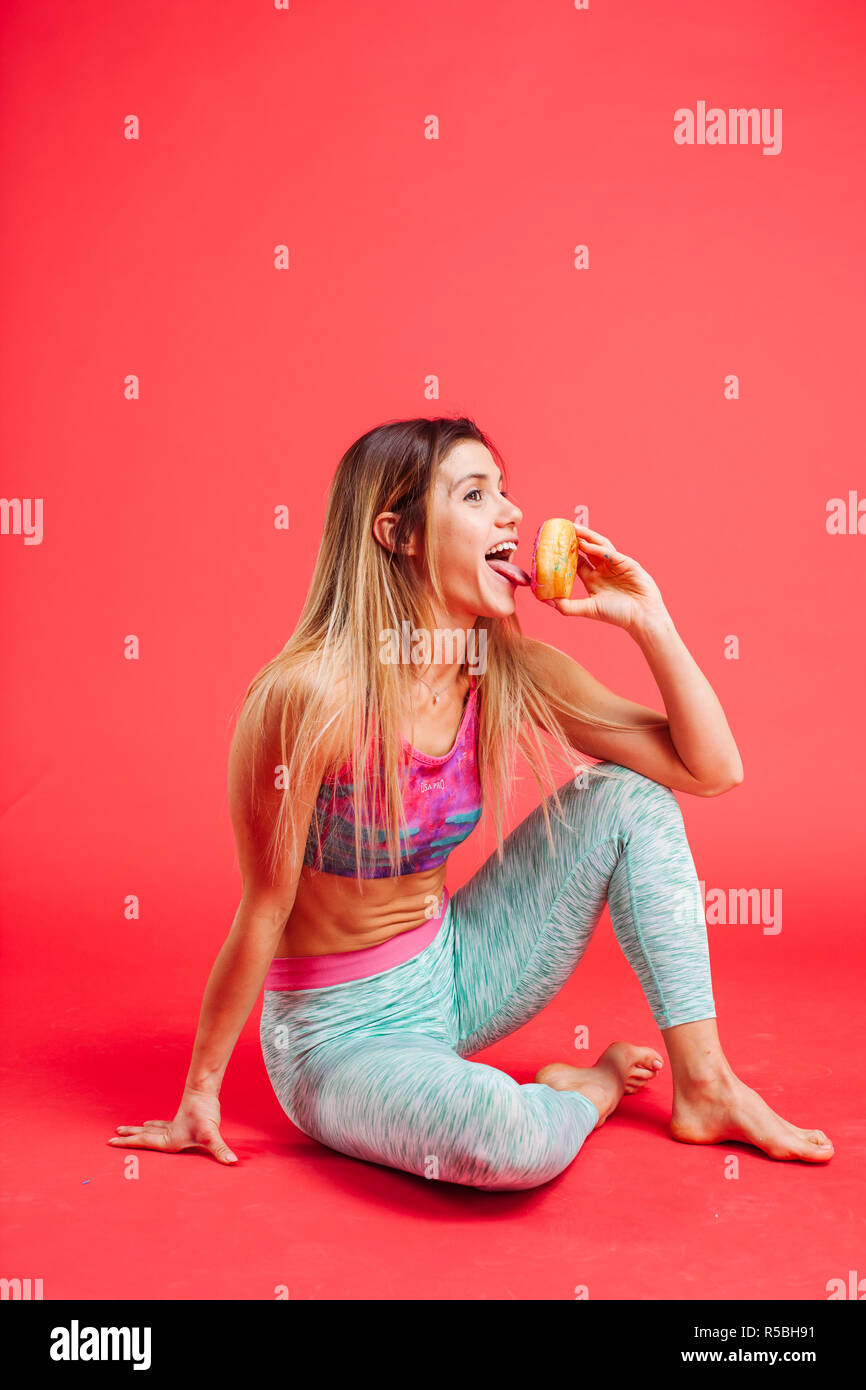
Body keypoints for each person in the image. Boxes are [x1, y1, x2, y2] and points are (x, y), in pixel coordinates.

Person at [109, 417, 833, 1188]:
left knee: (631, 799)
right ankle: (584, 1093)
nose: (514, 515)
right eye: (476, 493)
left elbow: (712, 770)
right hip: (340, 1034)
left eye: (506, 492)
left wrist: (649, 620)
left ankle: (707, 1086)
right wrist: (199, 1095)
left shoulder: (505, 670)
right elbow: (262, 907)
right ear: (399, 532)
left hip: (459, 968)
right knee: (504, 1139)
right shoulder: (307, 698)